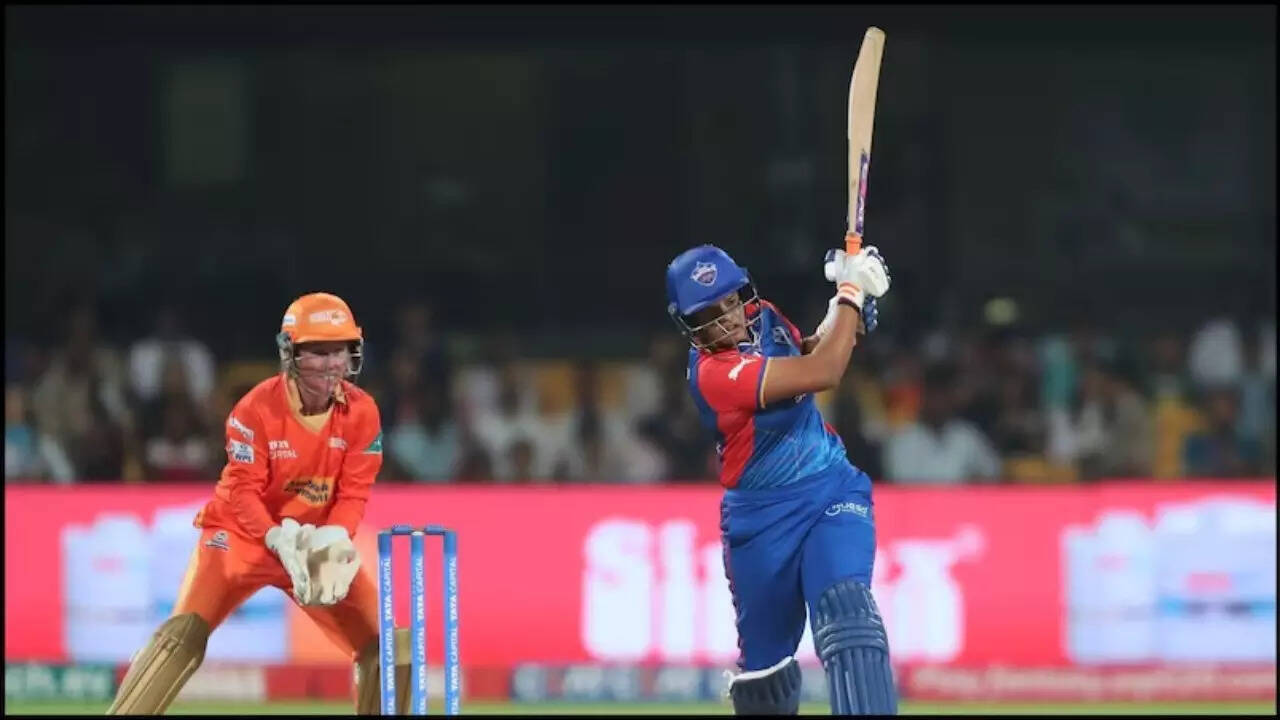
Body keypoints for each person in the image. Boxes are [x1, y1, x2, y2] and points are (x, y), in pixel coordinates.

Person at [107, 292, 408, 714]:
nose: (331, 365)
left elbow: (354, 491)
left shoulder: (363, 412)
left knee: (392, 651)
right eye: (317, 352)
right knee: (181, 637)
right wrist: (274, 537)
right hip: (242, 537)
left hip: (310, 543)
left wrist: (336, 537)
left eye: (338, 351)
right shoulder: (255, 409)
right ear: (291, 353)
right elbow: (244, 491)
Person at [664, 243, 895, 715]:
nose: (727, 320)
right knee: (766, 683)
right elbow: (822, 371)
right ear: (688, 324)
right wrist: (850, 295)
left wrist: (839, 316)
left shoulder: (765, 316)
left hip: (831, 488)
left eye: (731, 302)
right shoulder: (713, 373)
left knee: (849, 615)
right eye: (708, 314)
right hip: (760, 522)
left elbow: (805, 352)